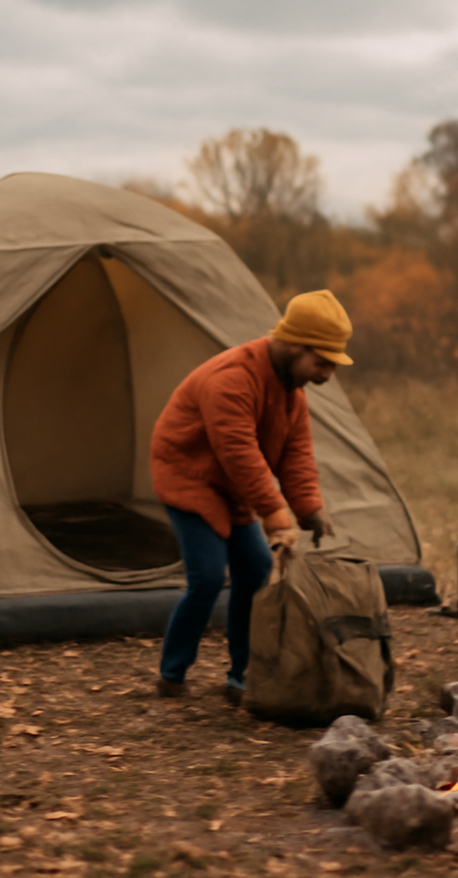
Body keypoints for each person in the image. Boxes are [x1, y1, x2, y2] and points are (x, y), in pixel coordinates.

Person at [149, 289, 350, 705]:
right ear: (295, 344)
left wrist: (310, 507)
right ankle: (171, 675)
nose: (327, 374)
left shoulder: (291, 392)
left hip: (233, 489)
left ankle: (242, 677)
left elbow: (295, 454)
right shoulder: (231, 379)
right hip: (191, 479)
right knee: (206, 577)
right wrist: (277, 516)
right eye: (322, 362)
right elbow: (238, 453)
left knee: (255, 571)